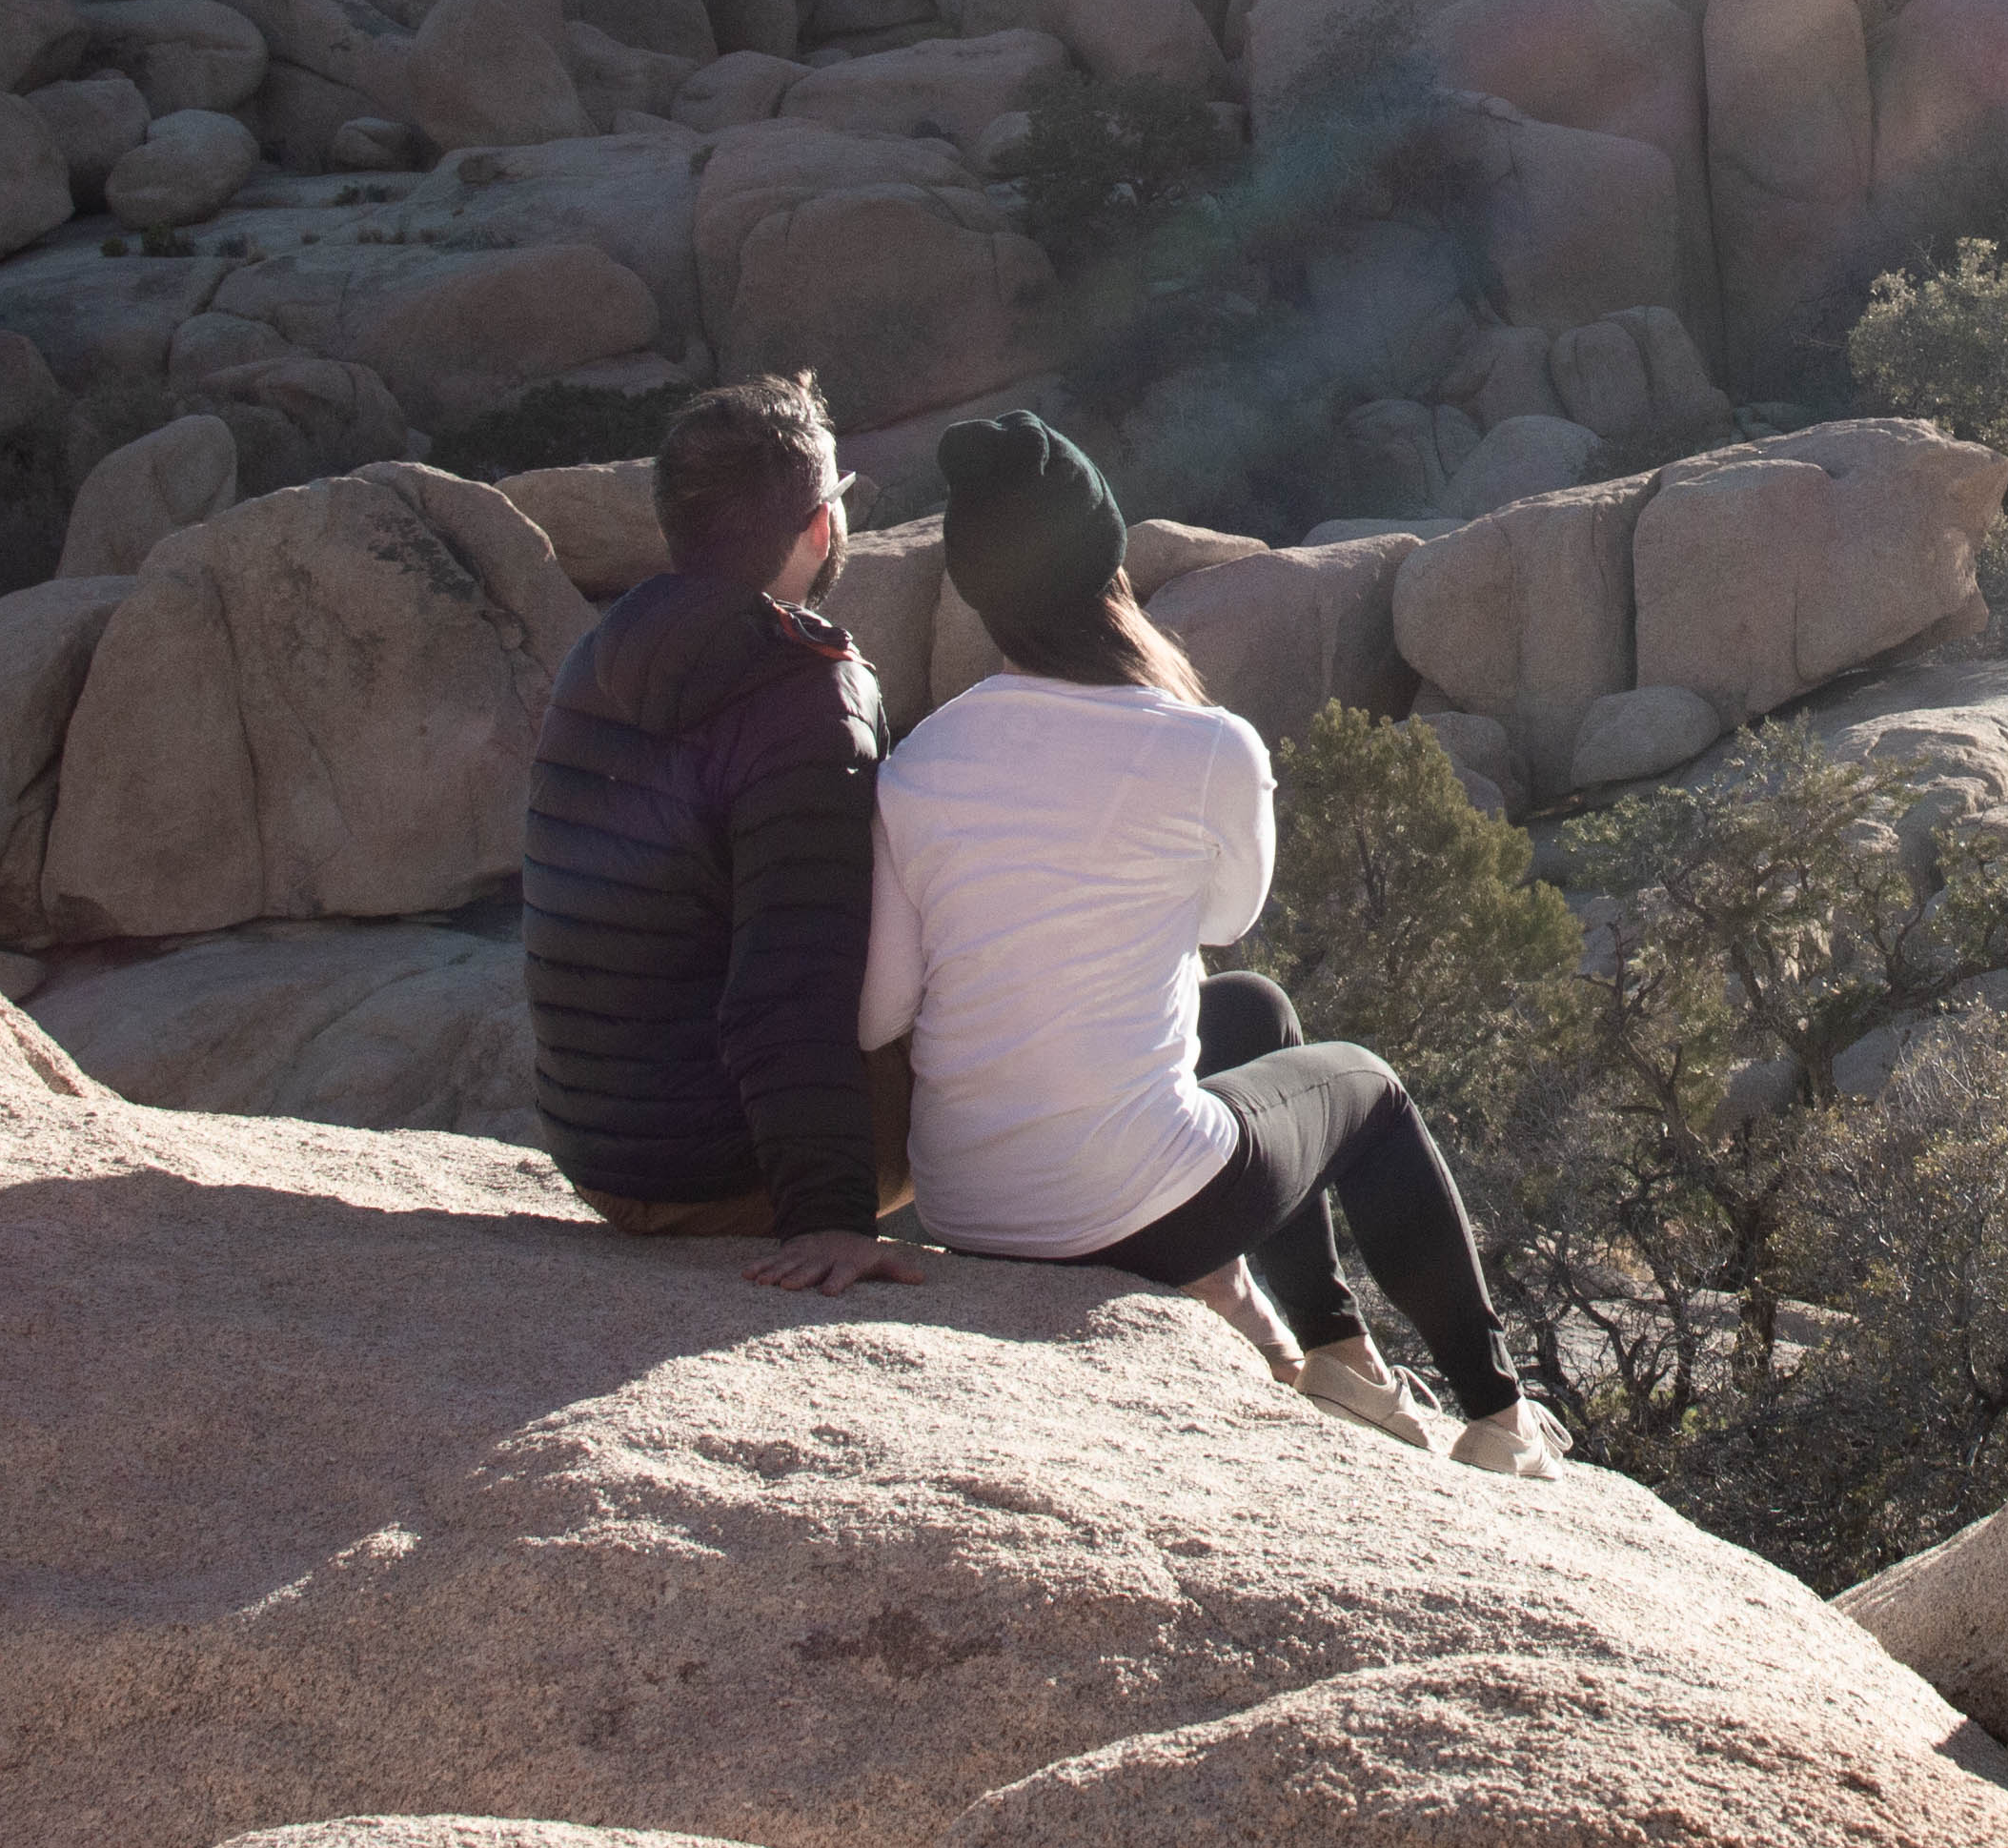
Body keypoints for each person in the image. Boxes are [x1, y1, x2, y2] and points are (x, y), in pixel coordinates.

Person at [862, 414, 1561, 1479]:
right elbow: (1224, 910)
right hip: (1124, 1214)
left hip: (966, 1203)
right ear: (1109, 566)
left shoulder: (921, 761)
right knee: (1366, 1091)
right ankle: (1502, 1417)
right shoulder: (1202, 745)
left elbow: (882, 1009)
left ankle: (1340, 1357)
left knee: (1252, 1012)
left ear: (977, 587)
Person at [517, 376, 928, 1292]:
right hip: (724, 1177)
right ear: (822, 525)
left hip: (608, 1160)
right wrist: (829, 1216)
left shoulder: (603, 651)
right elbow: (792, 977)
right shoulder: (805, 694)